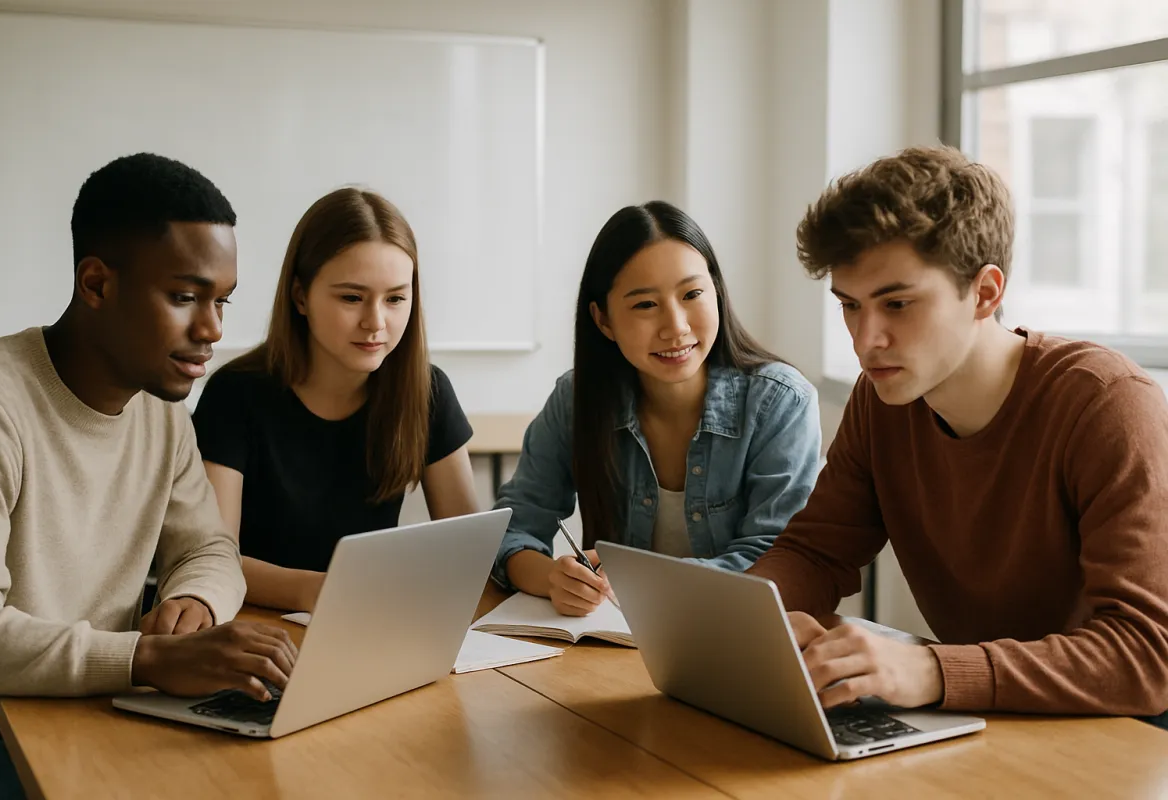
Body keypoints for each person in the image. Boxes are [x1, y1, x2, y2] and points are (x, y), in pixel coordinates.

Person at [747, 145, 1168, 722]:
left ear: (986, 293)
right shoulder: (883, 399)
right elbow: (817, 552)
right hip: (991, 719)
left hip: (1125, 733)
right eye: (850, 305)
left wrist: (931, 670)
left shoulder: (1106, 404)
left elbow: (1148, 654)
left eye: (897, 303)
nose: (866, 339)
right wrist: (744, 621)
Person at [0, 153, 297, 797]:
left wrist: (194, 602)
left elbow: (208, 546)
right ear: (96, 284)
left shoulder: (161, 407)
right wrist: (147, 657)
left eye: (222, 301)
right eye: (184, 297)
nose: (211, 330)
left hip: (105, 711)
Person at [492, 201, 822, 616]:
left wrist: (645, 585)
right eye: (645, 305)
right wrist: (554, 578)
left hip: (734, 633)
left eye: (693, 294)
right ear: (603, 320)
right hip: (610, 643)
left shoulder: (780, 402)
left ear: (716, 292)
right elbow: (514, 525)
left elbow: (774, 555)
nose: (676, 326)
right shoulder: (576, 399)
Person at [192, 188, 476, 613]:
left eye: (396, 298)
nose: (376, 322)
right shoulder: (235, 394)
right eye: (351, 297)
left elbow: (470, 548)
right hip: (255, 629)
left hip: (368, 623)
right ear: (301, 296)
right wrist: (316, 590)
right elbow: (212, 559)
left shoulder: (427, 390)